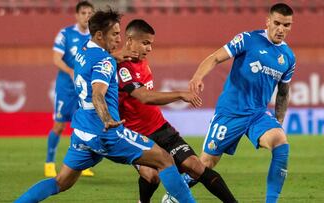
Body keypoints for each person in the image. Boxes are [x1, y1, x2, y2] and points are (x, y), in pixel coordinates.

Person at [15, 9, 196, 203]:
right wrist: (107, 119)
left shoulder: (83, 50)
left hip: (82, 130)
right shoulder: (105, 61)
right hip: (104, 130)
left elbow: (100, 60)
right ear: (100, 35)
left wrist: (117, 55)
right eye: (115, 34)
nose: (119, 39)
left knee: (61, 182)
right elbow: (98, 94)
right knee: (164, 160)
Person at [185, 3, 295, 203]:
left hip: (258, 114)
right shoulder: (248, 39)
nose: (281, 29)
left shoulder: (288, 57)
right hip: (231, 112)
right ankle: (176, 192)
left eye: (286, 25)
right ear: (268, 21)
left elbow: (283, 92)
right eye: (277, 23)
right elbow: (215, 57)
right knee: (205, 164)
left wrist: (278, 121)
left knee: (281, 142)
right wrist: (197, 77)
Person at [118, 19, 237, 203]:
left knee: (195, 166)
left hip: (160, 128)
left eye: (151, 44)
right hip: (136, 135)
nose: (149, 48)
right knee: (152, 176)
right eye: (145, 43)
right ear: (129, 40)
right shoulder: (121, 68)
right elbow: (144, 97)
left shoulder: (141, 60)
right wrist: (181, 94)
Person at [45, 1, 94, 177]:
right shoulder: (65, 34)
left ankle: (82, 164)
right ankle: (49, 162)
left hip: (85, 89)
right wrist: (70, 71)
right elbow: (56, 59)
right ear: (77, 15)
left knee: (83, 127)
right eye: (83, 13)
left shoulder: (95, 36)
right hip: (66, 88)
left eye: (90, 13)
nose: (87, 16)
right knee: (59, 126)